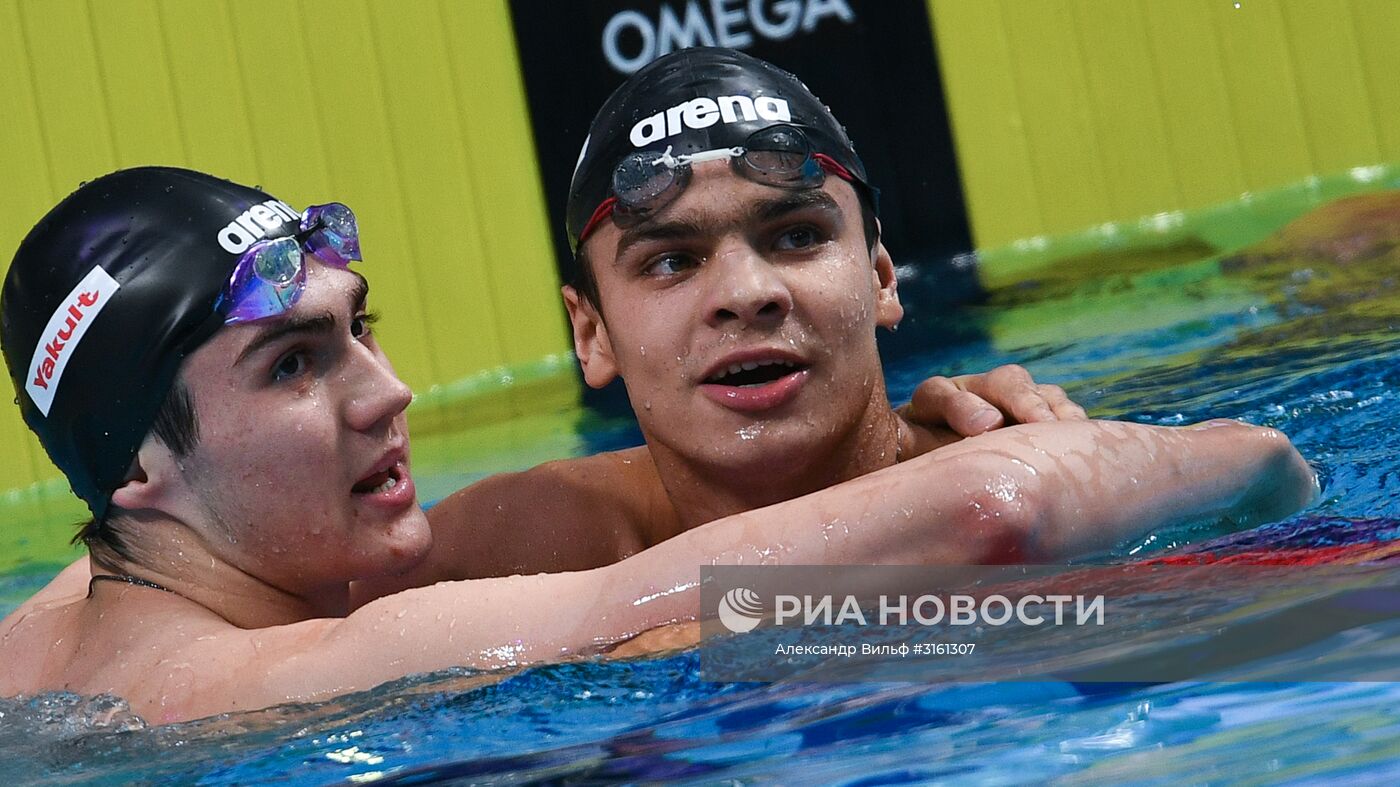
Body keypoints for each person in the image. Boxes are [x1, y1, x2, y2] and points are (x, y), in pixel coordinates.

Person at [0, 167, 1312, 723]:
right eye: (294, 363)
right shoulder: (317, 668)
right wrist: (1250, 456)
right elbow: (994, 518)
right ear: (135, 468)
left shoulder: (51, 628)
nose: (389, 392)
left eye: (363, 328)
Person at [368, 48, 1316, 594]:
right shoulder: (527, 540)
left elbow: (1275, 474)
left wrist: (1070, 468)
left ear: (881, 277)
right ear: (591, 334)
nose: (746, 293)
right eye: (671, 260)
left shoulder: (1012, 479)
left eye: (793, 236)